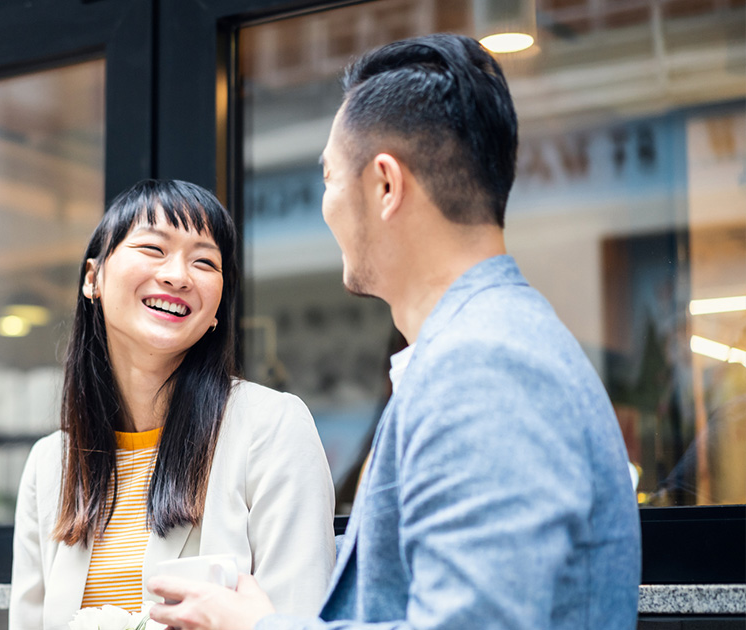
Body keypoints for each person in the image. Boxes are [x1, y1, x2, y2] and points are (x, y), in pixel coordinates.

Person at [147, 34, 642, 630]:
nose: (325, 205)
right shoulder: (483, 349)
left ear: (385, 185)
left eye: (329, 179)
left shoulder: (484, 366)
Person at [9, 179, 336, 630]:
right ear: (92, 278)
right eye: (153, 249)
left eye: (204, 261)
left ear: (218, 305)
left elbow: (298, 618)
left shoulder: (272, 427)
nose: (178, 275)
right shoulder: (50, 466)